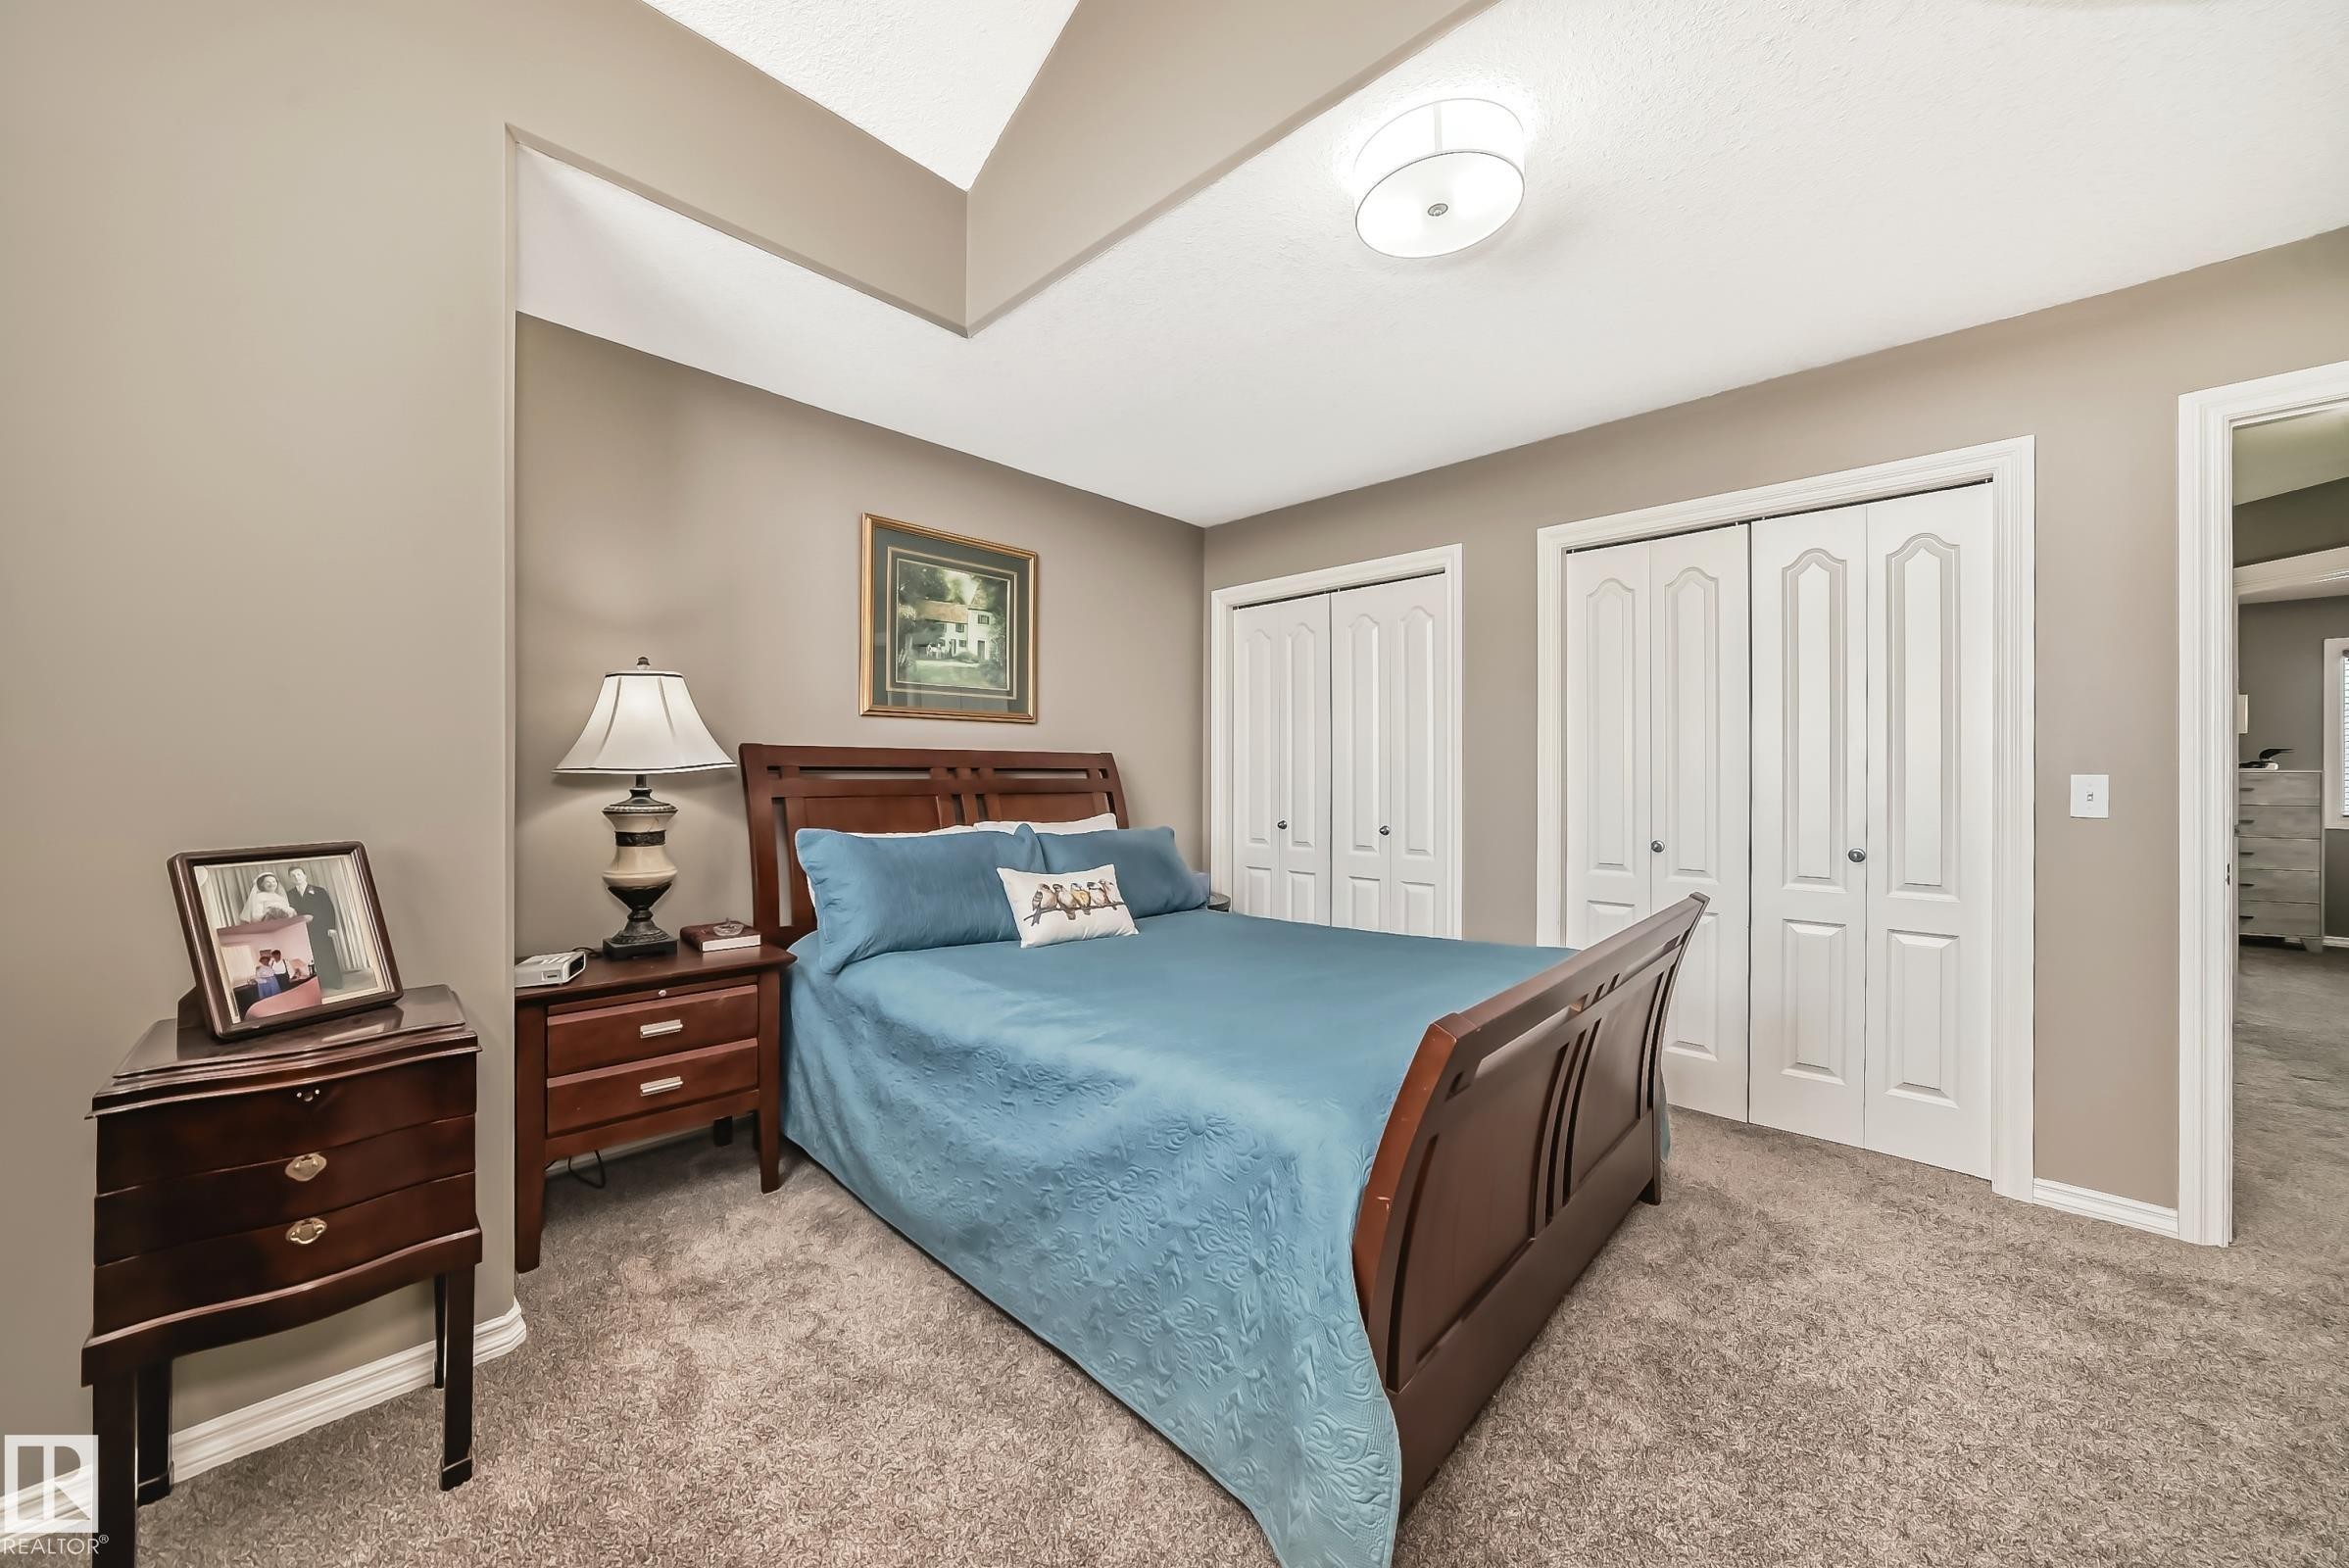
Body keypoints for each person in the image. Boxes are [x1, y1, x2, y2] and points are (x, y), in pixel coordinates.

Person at [287, 865, 346, 989]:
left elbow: (328, 909)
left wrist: (331, 927)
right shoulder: (289, 894)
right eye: (293, 876)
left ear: (304, 876)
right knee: (314, 956)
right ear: (290, 879)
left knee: (328, 954)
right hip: (303, 930)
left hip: (321, 928)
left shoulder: (319, 890)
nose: (296, 877)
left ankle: (335, 981)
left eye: (298, 874)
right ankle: (323, 982)